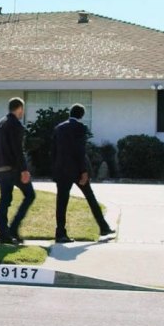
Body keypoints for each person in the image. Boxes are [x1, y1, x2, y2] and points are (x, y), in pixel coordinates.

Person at [51, 104, 116, 243]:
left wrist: (54, 170)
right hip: (76, 170)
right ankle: (103, 227)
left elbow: (54, 151)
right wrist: (84, 171)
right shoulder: (80, 128)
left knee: (61, 202)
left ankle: (60, 233)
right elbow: (80, 151)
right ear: (81, 115)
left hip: (61, 170)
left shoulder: (59, 128)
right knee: (90, 198)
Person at [0, 97, 35, 245]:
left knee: (4, 199)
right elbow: (18, 149)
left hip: (0, 167)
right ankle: (13, 228)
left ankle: (3, 233)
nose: (23, 112)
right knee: (30, 195)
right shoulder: (15, 125)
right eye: (22, 109)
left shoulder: (0, 124)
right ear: (19, 108)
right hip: (13, 168)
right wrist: (24, 170)